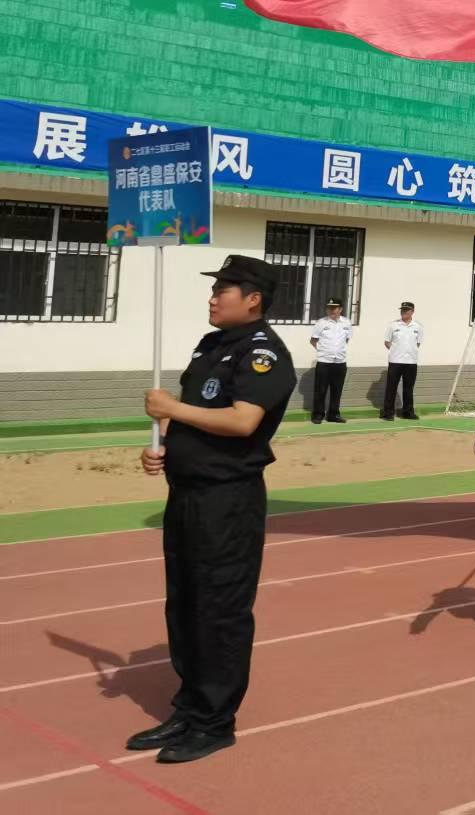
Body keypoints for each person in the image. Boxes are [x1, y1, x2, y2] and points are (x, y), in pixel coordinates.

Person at [130, 255, 297, 763]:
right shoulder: (211, 345)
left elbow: (243, 421)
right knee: (184, 603)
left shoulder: (264, 353)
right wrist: (165, 443)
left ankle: (214, 722)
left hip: (227, 501)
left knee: (219, 609)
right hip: (187, 494)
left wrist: (170, 409)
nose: (213, 297)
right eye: (214, 289)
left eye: (223, 289)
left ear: (253, 299)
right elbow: (194, 414)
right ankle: (190, 706)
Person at [309, 297, 352, 423]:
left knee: (337, 390)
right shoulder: (321, 323)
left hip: (340, 362)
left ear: (340, 309)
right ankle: (318, 414)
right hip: (324, 362)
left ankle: (333, 414)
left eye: (334, 308)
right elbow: (313, 340)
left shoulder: (347, 323)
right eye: (329, 308)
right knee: (320, 390)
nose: (331, 310)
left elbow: (347, 339)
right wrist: (323, 351)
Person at [382, 301, 424, 421]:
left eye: (406, 310)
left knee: (408, 389)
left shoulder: (418, 326)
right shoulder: (393, 325)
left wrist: (408, 352)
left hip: (411, 362)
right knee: (391, 388)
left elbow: (418, 343)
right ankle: (388, 413)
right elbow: (387, 342)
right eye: (402, 310)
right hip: (395, 361)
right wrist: (395, 351)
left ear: (412, 311)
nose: (403, 312)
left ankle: (408, 413)